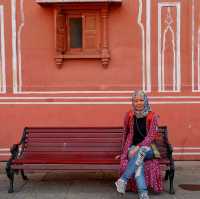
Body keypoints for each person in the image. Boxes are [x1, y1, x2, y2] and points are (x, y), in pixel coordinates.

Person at [115, 91, 163, 199]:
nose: (139, 103)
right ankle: (143, 192)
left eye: (141, 100)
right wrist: (123, 152)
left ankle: (123, 180)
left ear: (145, 101)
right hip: (132, 148)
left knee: (142, 150)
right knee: (139, 161)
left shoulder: (153, 116)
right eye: (136, 101)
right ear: (133, 102)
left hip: (149, 149)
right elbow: (125, 133)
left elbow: (151, 136)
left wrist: (138, 147)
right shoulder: (130, 115)